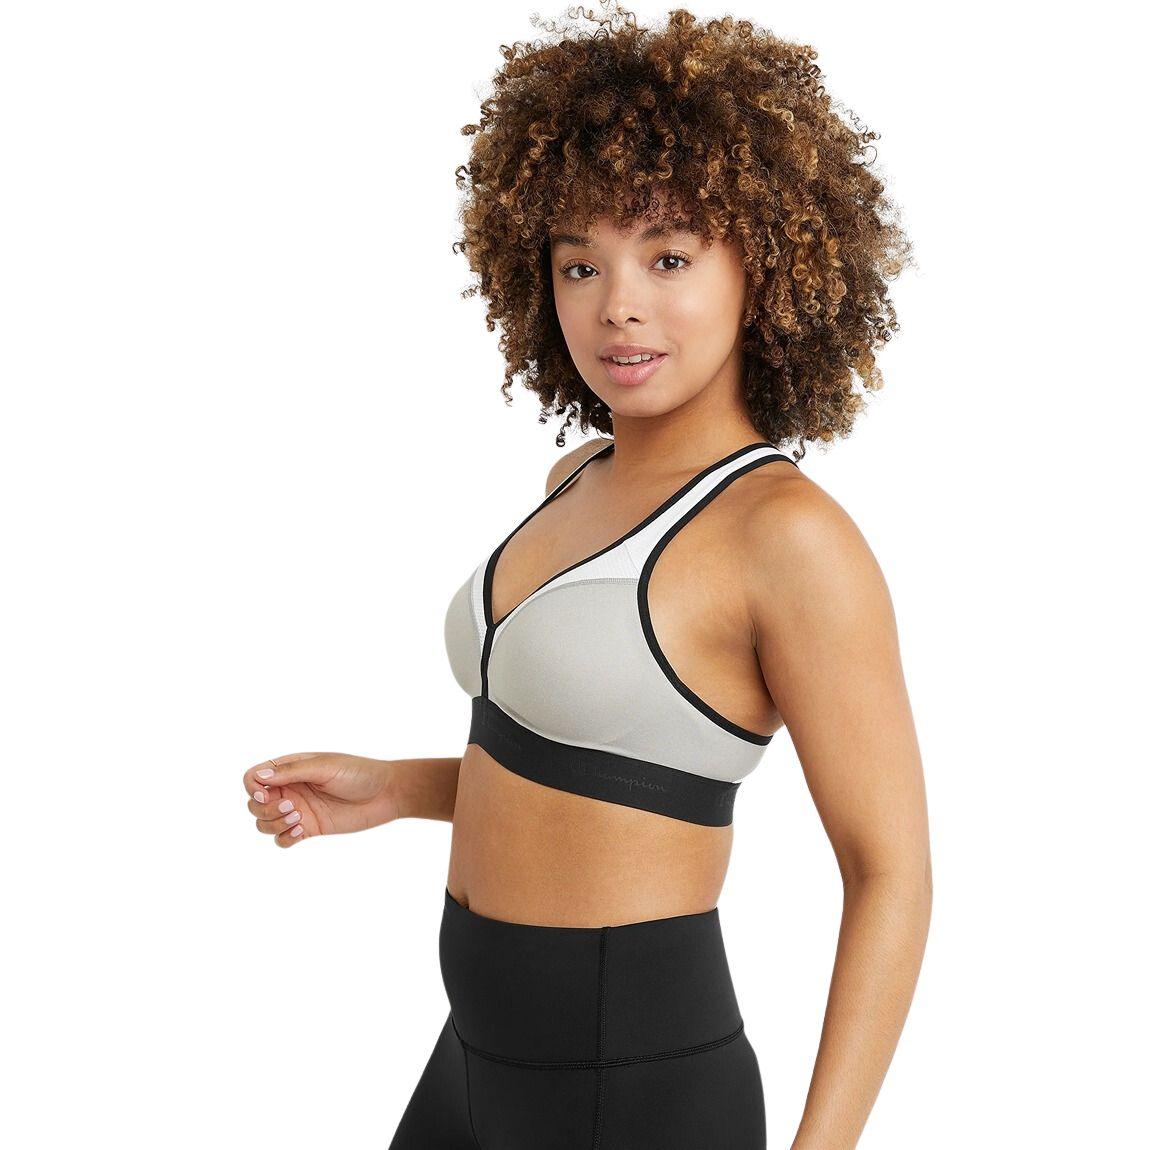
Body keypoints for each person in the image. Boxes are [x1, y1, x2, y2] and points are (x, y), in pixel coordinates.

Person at [242, 4, 930, 1146]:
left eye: (669, 256)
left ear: (761, 262)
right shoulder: (576, 477)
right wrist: (398, 788)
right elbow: (602, 778)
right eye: (580, 263)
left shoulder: (788, 538)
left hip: (633, 1090)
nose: (618, 304)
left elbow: (889, 870)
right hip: (472, 1058)